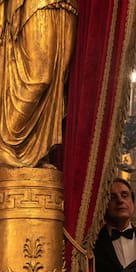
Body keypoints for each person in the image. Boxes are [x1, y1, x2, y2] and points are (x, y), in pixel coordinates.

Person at [0, 0, 77, 168]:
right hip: (37, 3)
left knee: (58, 80)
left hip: (68, 6)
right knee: (39, 77)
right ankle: (7, 145)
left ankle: (35, 155)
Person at [94, 178, 136, 272]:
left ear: (132, 202)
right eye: (112, 197)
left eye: (124, 195)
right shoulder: (93, 243)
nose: (120, 201)